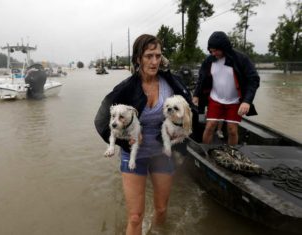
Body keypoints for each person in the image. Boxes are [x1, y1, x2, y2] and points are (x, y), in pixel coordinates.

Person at [94, 34, 197, 235]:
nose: (154, 61)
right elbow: (101, 121)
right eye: (149, 56)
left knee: (161, 209)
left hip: (162, 153)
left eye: (158, 56)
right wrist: (123, 141)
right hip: (134, 154)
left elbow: (190, 112)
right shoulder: (126, 88)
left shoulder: (172, 83)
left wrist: (183, 132)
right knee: (135, 217)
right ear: (138, 59)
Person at [192, 31, 260, 145]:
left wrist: (247, 101)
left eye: (216, 50)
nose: (213, 54)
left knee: (232, 130)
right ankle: (205, 152)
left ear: (224, 47)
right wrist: (196, 94)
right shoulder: (209, 60)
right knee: (209, 126)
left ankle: (231, 154)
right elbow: (202, 78)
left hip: (234, 101)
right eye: (211, 51)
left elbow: (254, 80)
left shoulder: (241, 59)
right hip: (215, 98)